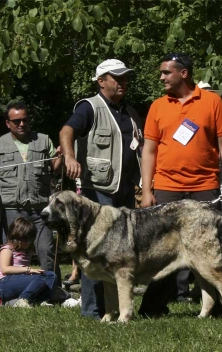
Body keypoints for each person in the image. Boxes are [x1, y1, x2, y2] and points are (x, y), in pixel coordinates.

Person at [139, 52, 222, 317]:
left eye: (166, 72)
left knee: (208, 246)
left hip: (205, 186)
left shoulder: (212, 102)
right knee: (162, 249)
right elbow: (149, 150)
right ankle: (153, 307)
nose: (161, 77)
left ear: (184, 73)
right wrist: (147, 190)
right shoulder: (158, 106)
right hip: (167, 187)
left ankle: (218, 305)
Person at [59, 59, 142, 319]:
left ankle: (117, 309)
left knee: (121, 252)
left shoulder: (130, 111)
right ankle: (92, 311)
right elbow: (66, 130)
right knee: (95, 252)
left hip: (126, 189)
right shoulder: (89, 107)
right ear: (101, 81)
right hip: (98, 191)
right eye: (116, 78)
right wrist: (70, 157)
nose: (122, 82)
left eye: (125, 78)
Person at [0, 101, 62, 287]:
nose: (21, 124)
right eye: (16, 121)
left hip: (40, 208)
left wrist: (59, 157)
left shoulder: (43, 140)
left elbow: (55, 169)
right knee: (12, 253)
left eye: (25, 120)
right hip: (12, 210)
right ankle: (10, 288)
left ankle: (53, 289)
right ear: (7, 123)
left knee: (46, 250)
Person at [0, 217, 56, 307]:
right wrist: (28, 270)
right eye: (24, 239)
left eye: (31, 239)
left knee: (51, 275)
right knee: (40, 279)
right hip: (3, 283)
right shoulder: (7, 249)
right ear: (16, 236)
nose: (28, 242)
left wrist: (28, 274)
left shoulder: (27, 251)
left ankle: (41, 300)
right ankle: (23, 299)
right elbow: (5, 269)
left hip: (17, 281)